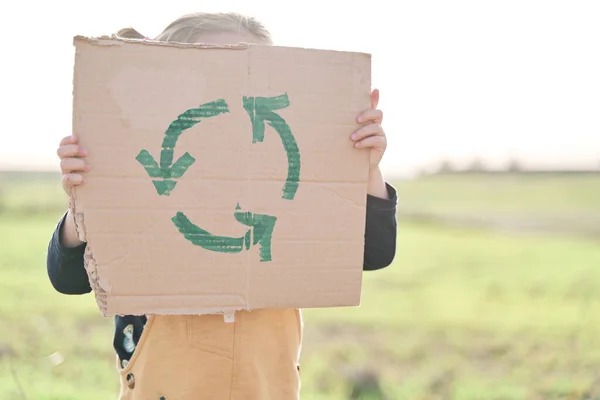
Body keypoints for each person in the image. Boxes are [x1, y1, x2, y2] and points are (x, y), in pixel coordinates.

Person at [46, 11, 397, 400]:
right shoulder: (141, 179)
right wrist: (86, 200)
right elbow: (68, 277)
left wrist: (364, 169)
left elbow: (375, 252)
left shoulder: (292, 186)